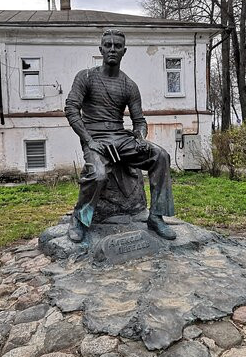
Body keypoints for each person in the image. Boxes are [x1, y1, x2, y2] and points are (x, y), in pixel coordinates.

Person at [64, 29, 176, 243]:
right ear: (101, 49)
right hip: (95, 138)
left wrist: (140, 139)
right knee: (98, 174)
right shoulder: (86, 77)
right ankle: (79, 219)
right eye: (108, 45)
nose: (112, 49)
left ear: (124, 51)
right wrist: (89, 141)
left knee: (161, 155)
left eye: (117, 46)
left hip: (121, 138)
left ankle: (156, 216)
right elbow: (71, 109)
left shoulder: (129, 85)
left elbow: (139, 121)